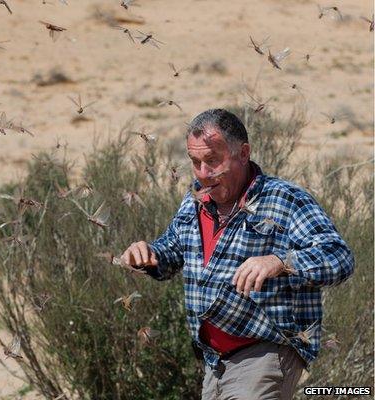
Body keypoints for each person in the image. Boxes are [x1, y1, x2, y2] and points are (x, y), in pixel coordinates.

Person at [122, 109, 354, 400]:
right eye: (195, 163)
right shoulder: (195, 200)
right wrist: (148, 254)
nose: (203, 173)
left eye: (213, 160)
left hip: (266, 353)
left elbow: (338, 257)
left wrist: (280, 262)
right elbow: (172, 250)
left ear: (243, 153)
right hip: (214, 362)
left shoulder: (285, 200)